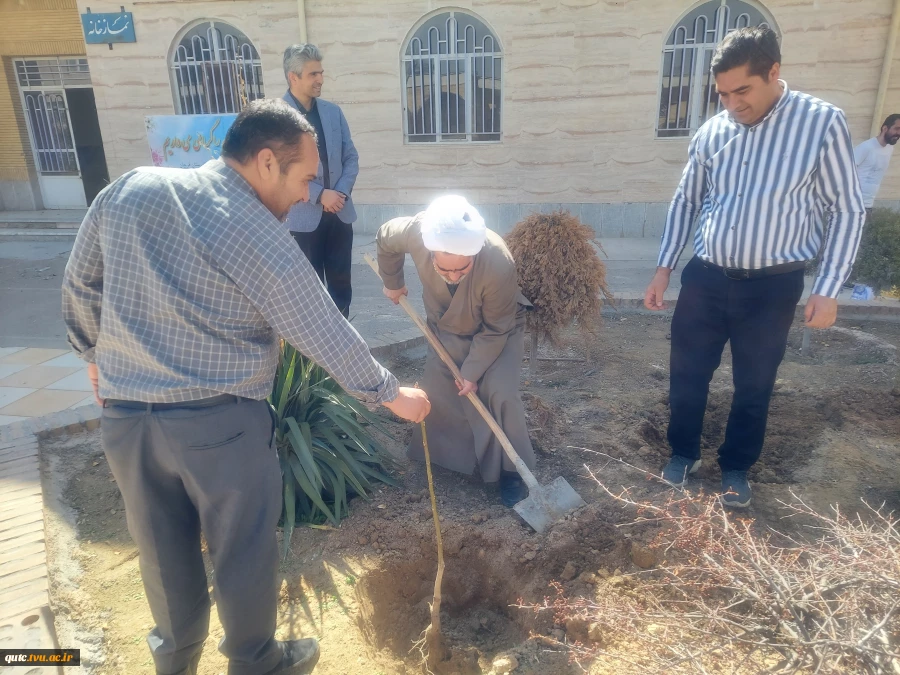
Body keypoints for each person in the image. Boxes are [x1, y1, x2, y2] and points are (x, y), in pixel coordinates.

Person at [62, 99, 430, 675]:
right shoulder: (254, 231)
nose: (308, 193)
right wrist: (390, 393)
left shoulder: (130, 188)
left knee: (160, 551)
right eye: (306, 177)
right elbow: (320, 327)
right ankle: (256, 661)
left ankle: (175, 660)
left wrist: (92, 356)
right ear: (265, 162)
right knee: (242, 547)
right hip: (218, 426)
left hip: (127, 420)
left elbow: (81, 281)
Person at [643, 27, 865, 508]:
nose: (732, 104)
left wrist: (827, 287)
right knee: (686, 373)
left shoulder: (821, 124)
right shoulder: (713, 132)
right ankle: (683, 454)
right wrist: (663, 267)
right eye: (723, 93)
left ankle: (737, 467)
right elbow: (686, 202)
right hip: (705, 279)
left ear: (774, 72)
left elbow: (846, 208)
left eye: (742, 90)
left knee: (754, 383)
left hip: (771, 287)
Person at [376, 195, 535, 507]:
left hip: (496, 331)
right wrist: (392, 281)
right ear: (431, 249)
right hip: (446, 326)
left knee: (499, 392)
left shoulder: (498, 262)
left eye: (462, 269)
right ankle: (450, 461)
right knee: (440, 388)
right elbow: (385, 238)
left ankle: (512, 472)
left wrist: (471, 373)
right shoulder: (416, 232)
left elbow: (496, 329)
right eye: (444, 269)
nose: (452, 277)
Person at [282, 43, 359, 318]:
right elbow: (281, 170)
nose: (320, 80)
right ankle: (311, 357)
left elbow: (351, 157)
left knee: (341, 286)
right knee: (308, 290)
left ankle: (342, 343)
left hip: (339, 212)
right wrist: (319, 195)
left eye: (321, 73)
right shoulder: (276, 118)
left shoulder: (332, 112)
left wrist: (339, 193)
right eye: (313, 74)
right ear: (294, 77)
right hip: (302, 219)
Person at [855, 113, 900, 216]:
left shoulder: (889, 148)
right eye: (897, 128)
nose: (898, 133)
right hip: (853, 204)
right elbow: (846, 171)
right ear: (885, 128)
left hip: (868, 204)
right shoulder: (866, 147)